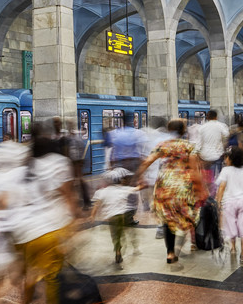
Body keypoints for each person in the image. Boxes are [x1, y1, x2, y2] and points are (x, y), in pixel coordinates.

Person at [8, 122, 75, 304]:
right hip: (48, 230)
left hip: (22, 232)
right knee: (52, 278)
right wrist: (71, 228)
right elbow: (68, 196)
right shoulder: (58, 163)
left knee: (31, 273)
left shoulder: (22, 168)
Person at [136, 119, 207, 264]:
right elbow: (194, 169)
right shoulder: (189, 146)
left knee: (167, 219)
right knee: (188, 215)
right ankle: (189, 239)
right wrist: (201, 188)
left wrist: (140, 177)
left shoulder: (162, 145)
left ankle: (170, 253)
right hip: (184, 186)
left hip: (164, 186)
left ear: (169, 131)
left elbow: (146, 162)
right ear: (183, 131)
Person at [88, 168, 141, 266]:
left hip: (111, 218)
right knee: (121, 233)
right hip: (122, 216)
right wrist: (140, 184)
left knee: (114, 236)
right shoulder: (122, 189)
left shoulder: (103, 191)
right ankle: (122, 245)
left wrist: (92, 216)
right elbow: (136, 189)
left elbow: (96, 204)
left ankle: (117, 251)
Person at [215, 147, 243, 265]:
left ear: (231, 159)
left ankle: (233, 248)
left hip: (229, 202)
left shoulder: (226, 171)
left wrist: (218, 202)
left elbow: (221, 187)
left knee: (231, 225)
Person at [194, 110, 229, 194]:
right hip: (218, 153)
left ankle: (210, 190)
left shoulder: (202, 127)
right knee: (219, 174)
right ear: (216, 117)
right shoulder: (221, 126)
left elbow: (198, 143)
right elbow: (226, 135)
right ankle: (218, 191)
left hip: (205, 155)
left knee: (209, 175)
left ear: (207, 117)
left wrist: (197, 153)